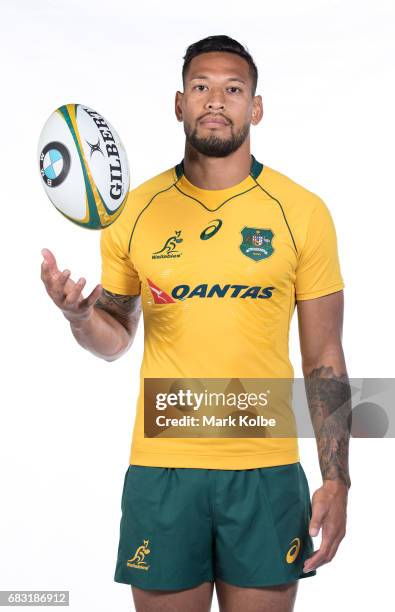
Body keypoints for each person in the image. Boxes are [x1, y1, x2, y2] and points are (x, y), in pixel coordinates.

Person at [40, 35, 351, 612]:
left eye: (233, 89)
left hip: (264, 470)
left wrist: (337, 480)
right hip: (164, 472)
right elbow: (114, 339)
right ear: (178, 104)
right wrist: (80, 316)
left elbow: (324, 354)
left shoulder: (302, 212)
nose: (216, 100)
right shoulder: (133, 210)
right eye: (201, 87)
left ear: (255, 107)